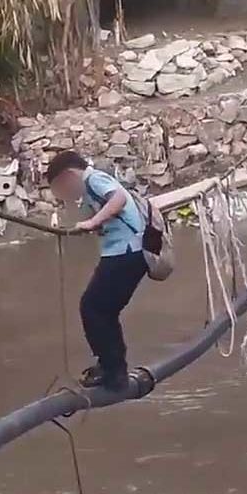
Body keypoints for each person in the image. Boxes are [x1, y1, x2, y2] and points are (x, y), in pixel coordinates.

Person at [47, 151, 147, 393]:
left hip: (126, 252)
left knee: (93, 308)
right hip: (128, 252)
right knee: (103, 310)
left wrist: (92, 222)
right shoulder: (94, 184)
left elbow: (119, 200)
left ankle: (113, 371)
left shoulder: (94, 179)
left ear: (69, 176)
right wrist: (97, 224)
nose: (67, 195)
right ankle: (111, 368)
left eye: (61, 188)